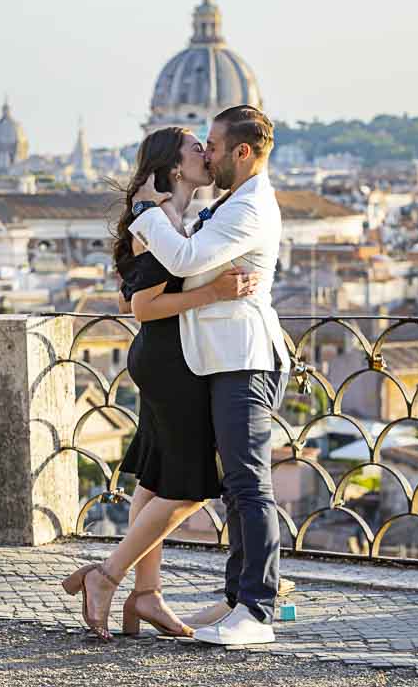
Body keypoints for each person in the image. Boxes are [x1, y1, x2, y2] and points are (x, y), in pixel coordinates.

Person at [61, 126, 259, 641]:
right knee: (190, 489)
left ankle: (146, 597)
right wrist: (213, 292)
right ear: (174, 168)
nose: (207, 154)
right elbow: (142, 308)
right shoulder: (161, 219)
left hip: (167, 358)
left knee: (152, 485)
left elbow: (134, 298)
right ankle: (107, 577)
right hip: (172, 362)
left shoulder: (176, 219)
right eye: (198, 148)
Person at [129, 105, 290, 646]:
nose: (208, 154)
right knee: (236, 484)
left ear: (241, 151)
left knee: (248, 482)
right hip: (220, 358)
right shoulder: (230, 202)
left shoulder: (248, 208)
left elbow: (186, 258)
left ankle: (258, 610)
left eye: (215, 146)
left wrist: (146, 212)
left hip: (244, 357)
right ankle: (236, 599)